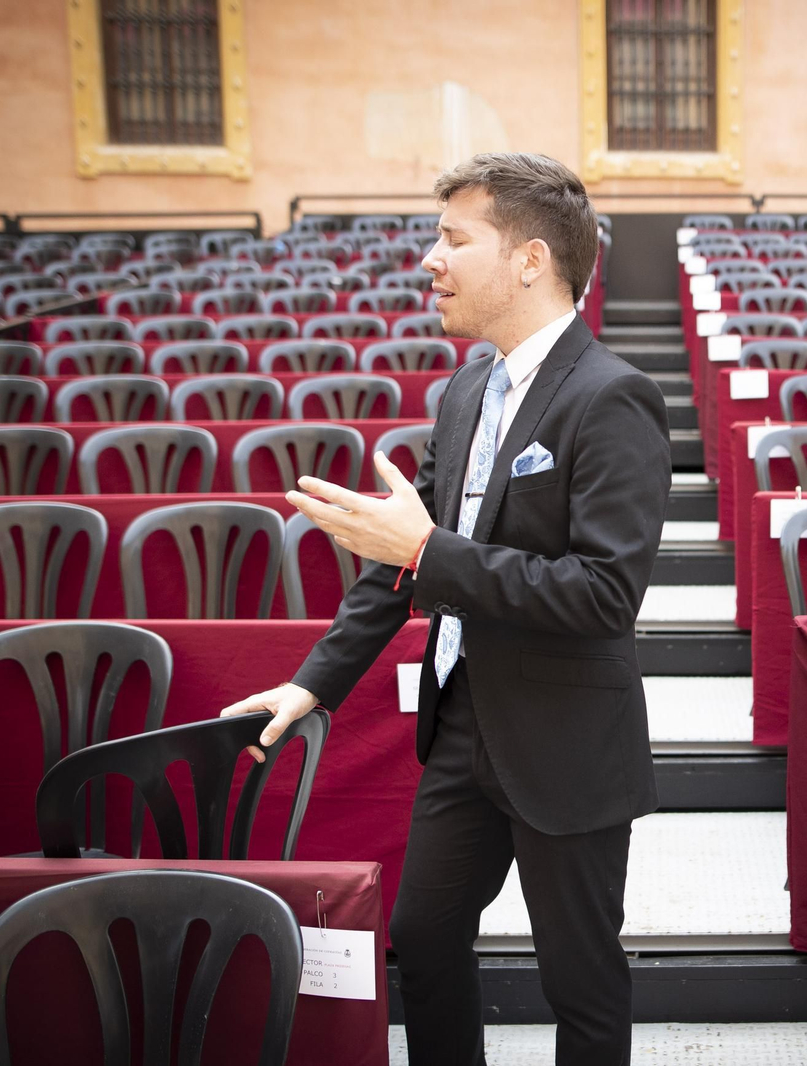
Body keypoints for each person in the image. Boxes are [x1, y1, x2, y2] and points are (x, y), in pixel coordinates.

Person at [219, 152, 671, 1065]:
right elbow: (399, 566)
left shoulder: (613, 396)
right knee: (421, 946)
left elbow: (604, 594)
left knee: (579, 982)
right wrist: (311, 687)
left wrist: (428, 550)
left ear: (530, 260)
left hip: (567, 738)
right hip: (463, 725)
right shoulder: (466, 388)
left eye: (454, 239)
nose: (431, 258)